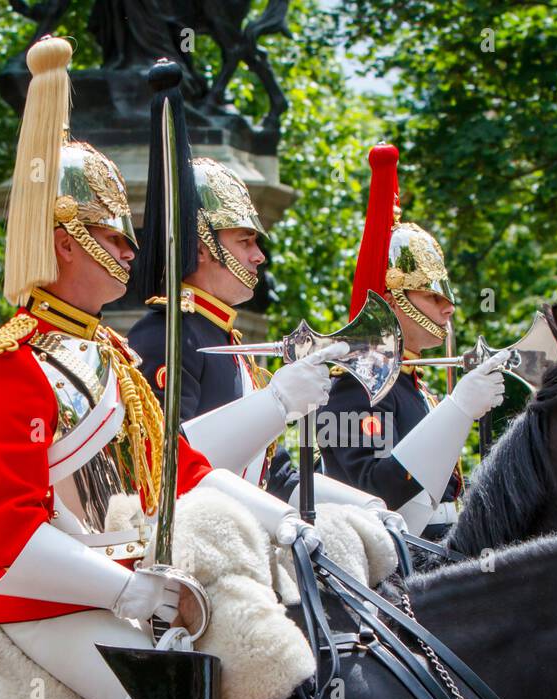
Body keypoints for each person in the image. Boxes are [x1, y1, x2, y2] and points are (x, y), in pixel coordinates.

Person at [0, 39, 330, 699]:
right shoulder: (7, 368)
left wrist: (287, 523)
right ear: (63, 242)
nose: (130, 250)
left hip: (132, 585)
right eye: (111, 236)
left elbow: (176, 470)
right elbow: (10, 532)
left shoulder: (109, 357)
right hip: (43, 598)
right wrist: (126, 589)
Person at [127, 113, 391, 519]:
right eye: (245, 241)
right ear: (202, 248)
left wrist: (362, 508)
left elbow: (275, 475)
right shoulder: (166, 336)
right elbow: (170, 466)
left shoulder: (228, 342)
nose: (258, 256)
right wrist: (277, 401)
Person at [319, 143, 510, 538]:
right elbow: (373, 489)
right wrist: (457, 412)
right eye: (432, 297)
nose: (448, 309)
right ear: (391, 301)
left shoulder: (414, 385)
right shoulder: (354, 389)